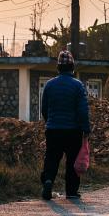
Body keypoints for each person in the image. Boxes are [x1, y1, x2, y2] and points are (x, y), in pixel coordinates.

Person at [40, 50, 91, 200]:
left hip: (53, 129)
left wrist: (50, 121)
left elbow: (44, 108)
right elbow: (82, 110)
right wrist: (86, 129)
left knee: (51, 158)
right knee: (72, 161)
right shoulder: (78, 86)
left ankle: (48, 181)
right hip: (72, 131)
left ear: (58, 68)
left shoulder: (49, 85)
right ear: (72, 67)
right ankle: (72, 191)